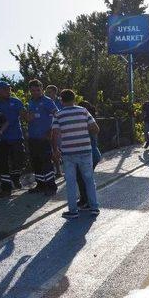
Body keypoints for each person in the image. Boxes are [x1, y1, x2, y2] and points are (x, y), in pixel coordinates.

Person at [51, 89, 100, 219]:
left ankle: (73, 211)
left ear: (61, 100)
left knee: (71, 182)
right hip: (85, 151)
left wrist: (55, 150)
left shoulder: (58, 115)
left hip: (68, 153)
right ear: (74, 99)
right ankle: (94, 208)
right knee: (89, 180)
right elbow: (96, 129)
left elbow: (55, 134)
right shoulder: (83, 111)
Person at [0, 81, 27, 197]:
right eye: (5, 89)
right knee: (2, 163)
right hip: (0, 138)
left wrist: (26, 114)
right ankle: (6, 189)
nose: (9, 91)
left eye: (9, 89)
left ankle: (16, 177)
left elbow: (24, 115)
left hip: (16, 136)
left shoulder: (16, 101)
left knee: (19, 159)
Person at [26, 79, 59, 196]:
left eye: (38, 90)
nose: (35, 92)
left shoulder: (48, 101)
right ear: (30, 91)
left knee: (46, 162)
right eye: (33, 90)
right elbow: (29, 118)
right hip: (33, 138)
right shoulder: (30, 102)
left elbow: (57, 115)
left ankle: (51, 186)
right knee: (36, 162)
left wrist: (51, 130)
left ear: (42, 89)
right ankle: (40, 185)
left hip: (45, 138)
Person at [76, 100, 102, 209]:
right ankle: (85, 200)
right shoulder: (90, 120)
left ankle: (87, 201)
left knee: (83, 177)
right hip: (93, 153)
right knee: (83, 177)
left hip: (89, 154)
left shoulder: (86, 122)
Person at [45, 84, 64, 177]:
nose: (47, 94)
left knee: (63, 149)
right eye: (46, 92)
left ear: (55, 92)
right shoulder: (45, 101)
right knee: (53, 150)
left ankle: (68, 168)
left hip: (60, 129)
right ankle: (58, 171)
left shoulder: (60, 102)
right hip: (49, 130)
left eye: (49, 92)